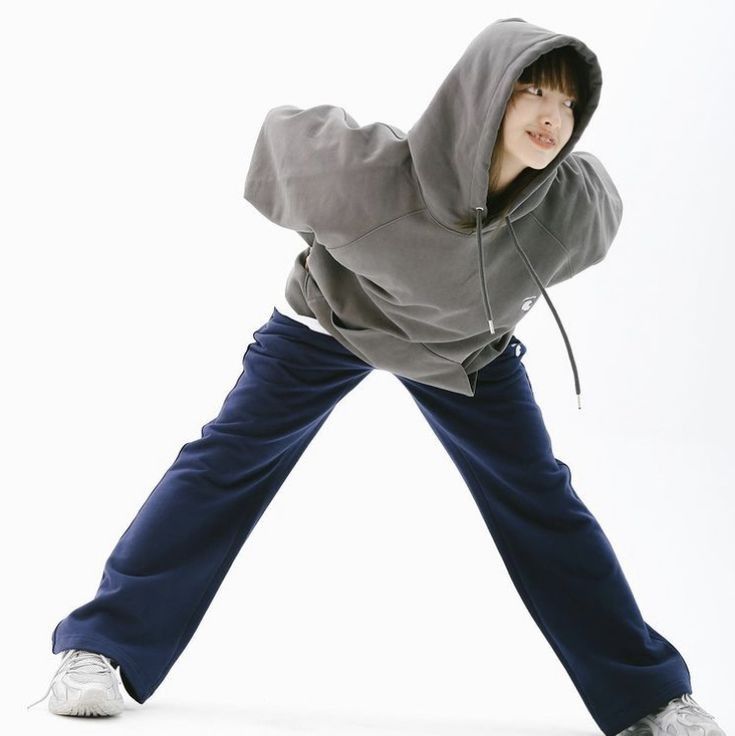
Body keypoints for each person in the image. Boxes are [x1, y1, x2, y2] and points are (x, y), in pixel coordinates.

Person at [27, 17, 726, 736]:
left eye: (568, 104)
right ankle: (99, 649)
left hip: (464, 355)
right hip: (332, 325)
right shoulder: (374, 176)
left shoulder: (575, 208)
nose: (551, 116)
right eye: (530, 92)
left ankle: (649, 700)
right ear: (485, 95)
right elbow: (282, 137)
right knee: (223, 465)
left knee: (543, 502)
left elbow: (578, 236)